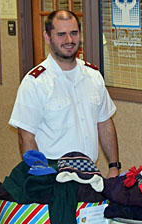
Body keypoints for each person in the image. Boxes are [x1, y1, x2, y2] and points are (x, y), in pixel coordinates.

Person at [9, 10, 121, 178]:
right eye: (61, 34)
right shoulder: (35, 83)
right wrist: (41, 177)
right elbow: (26, 137)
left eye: (74, 33)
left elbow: (104, 123)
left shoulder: (93, 76)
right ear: (47, 37)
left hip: (90, 173)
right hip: (52, 175)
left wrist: (114, 166)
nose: (69, 40)